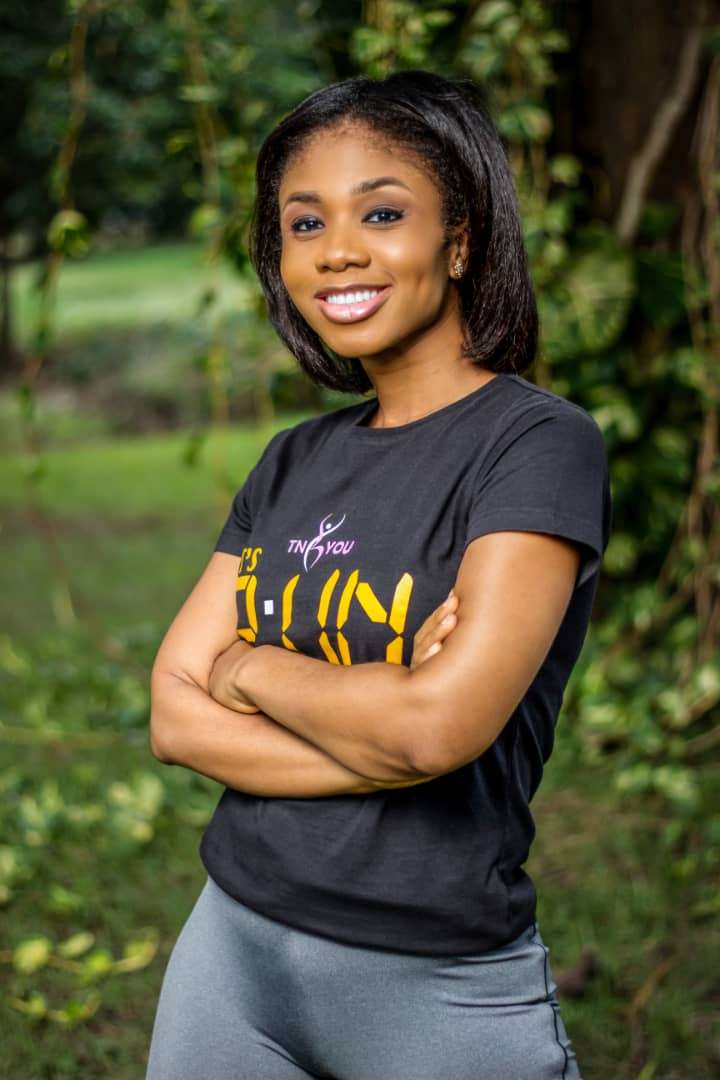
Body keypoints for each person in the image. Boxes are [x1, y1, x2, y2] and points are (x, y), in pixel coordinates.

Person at [145, 69, 611, 1080]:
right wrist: (387, 730)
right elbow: (174, 717)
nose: (338, 250)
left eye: (383, 212)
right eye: (304, 223)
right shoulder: (291, 460)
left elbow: (433, 731)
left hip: (436, 983)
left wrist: (248, 668)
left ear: (460, 239)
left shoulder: (536, 445)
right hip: (227, 952)